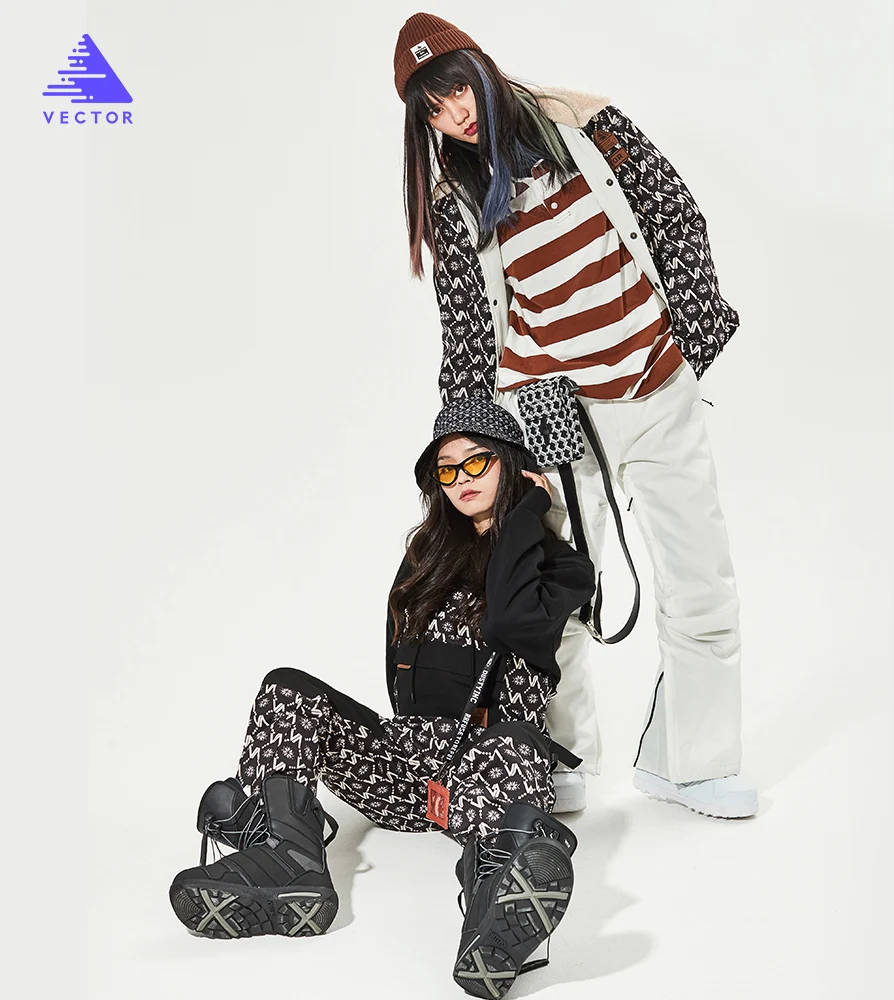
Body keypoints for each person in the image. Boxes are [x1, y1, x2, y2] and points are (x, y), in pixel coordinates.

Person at [393, 12, 758, 818]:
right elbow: (467, 332)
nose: (455, 113)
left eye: (456, 88)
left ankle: (693, 763)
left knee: (701, 582)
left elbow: (674, 215)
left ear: (480, 67)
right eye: (433, 109)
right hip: (552, 412)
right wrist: (472, 444)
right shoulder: (456, 198)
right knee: (549, 595)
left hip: (654, 386)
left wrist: (686, 337)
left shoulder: (585, 126)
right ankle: (557, 759)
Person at [168, 396, 595, 998]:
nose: (461, 479)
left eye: (477, 462)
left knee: (518, 746)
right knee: (286, 687)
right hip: (408, 769)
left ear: (513, 466)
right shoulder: (425, 558)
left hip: (489, 769)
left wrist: (528, 513)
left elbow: (508, 621)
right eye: (447, 470)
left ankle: (494, 903)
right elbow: (401, 671)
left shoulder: (563, 568)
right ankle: (288, 858)